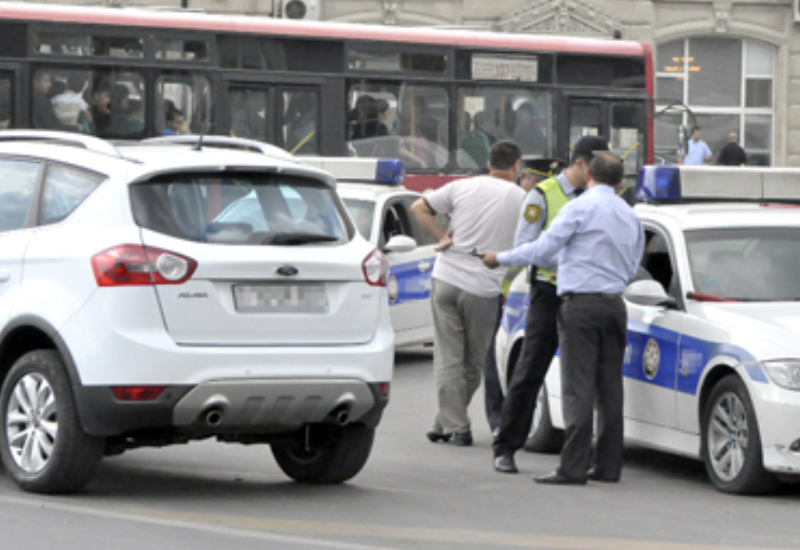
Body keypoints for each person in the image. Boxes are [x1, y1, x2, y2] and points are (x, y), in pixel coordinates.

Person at [483, 152, 644, 485]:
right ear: (619, 182)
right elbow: (632, 266)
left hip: (578, 304)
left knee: (577, 387)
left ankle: (572, 466)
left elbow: (540, 250)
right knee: (609, 387)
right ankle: (607, 465)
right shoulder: (630, 215)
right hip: (614, 304)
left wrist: (499, 258)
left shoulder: (579, 208)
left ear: (589, 175)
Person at [490, 137, 607, 475]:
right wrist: (574, 260)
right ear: (583, 165)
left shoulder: (598, 197)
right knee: (531, 369)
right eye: (597, 166)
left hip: (586, 295)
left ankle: (584, 455)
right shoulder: (541, 196)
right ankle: (507, 446)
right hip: (549, 292)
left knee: (587, 375)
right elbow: (526, 245)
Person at [411, 141, 527, 447]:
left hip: (446, 277)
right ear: (516, 167)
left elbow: (419, 208)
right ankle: (458, 426)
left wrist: (441, 237)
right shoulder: (521, 198)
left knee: (448, 358)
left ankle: (444, 422)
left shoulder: (462, 186)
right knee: (472, 363)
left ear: (488, 163)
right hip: (483, 287)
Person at [482, 155, 551, 436]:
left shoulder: (528, 205)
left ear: (527, 179)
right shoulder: (531, 204)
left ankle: (501, 420)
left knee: (500, 360)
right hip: (512, 290)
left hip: (513, 291)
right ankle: (502, 419)